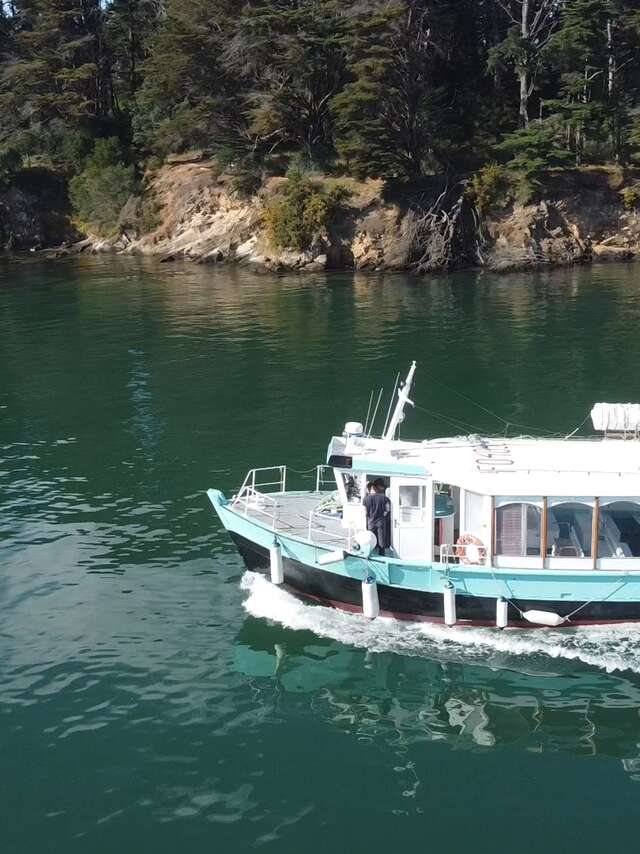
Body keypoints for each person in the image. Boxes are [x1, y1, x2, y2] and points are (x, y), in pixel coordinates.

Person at [363, 479, 391, 556]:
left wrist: (369, 516)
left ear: (369, 490)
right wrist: (383, 515)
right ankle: (382, 555)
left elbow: (365, 512)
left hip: (371, 521)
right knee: (381, 539)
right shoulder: (384, 498)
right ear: (376, 489)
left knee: (371, 538)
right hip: (381, 521)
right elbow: (387, 510)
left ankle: (371, 554)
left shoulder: (365, 499)